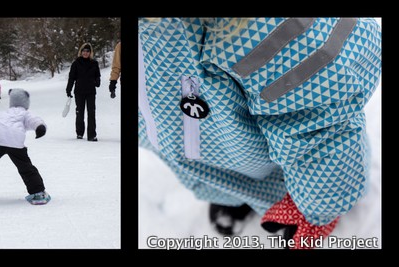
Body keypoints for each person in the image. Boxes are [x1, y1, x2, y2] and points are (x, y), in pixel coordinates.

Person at [138, 18, 381, 249]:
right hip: (208, 150)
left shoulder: (243, 24)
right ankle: (234, 193)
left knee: (297, 158)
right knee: (225, 176)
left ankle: (290, 198)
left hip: (289, 164)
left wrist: (323, 205)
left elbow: (318, 115)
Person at [66, 43, 101, 141]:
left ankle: (91, 135)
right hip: (79, 91)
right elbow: (71, 78)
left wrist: (97, 81)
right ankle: (80, 133)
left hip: (90, 91)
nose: (85, 53)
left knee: (91, 112)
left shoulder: (94, 63)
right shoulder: (76, 63)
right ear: (81, 52)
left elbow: (97, 75)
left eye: (87, 51)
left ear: (90, 53)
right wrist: (68, 90)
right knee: (80, 112)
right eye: (84, 51)